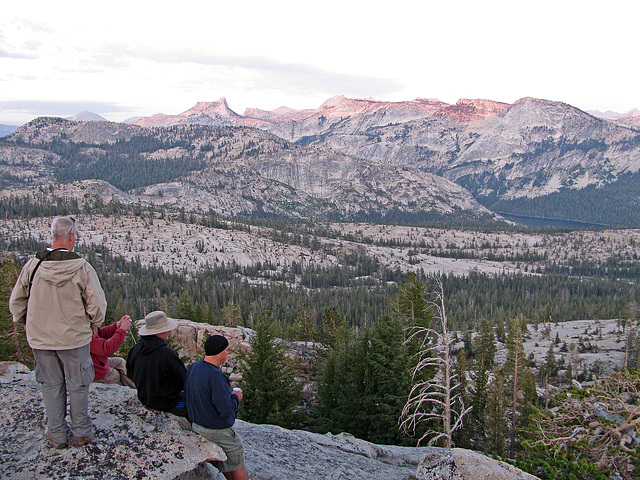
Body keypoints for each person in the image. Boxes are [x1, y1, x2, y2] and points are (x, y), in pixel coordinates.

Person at [9, 216, 107, 449]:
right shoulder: (81, 267)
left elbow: (17, 300)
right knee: (78, 383)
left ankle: (57, 434)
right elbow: (97, 304)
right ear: (72, 237)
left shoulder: (33, 265)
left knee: (50, 385)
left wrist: (23, 321)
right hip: (73, 338)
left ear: (53, 236)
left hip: (41, 338)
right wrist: (95, 324)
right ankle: (81, 432)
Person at [184, 335, 249, 480]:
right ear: (219, 352)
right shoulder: (215, 376)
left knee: (225, 462)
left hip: (197, 425)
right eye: (226, 350)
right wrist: (235, 398)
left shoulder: (195, 367)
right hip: (216, 429)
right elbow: (225, 410)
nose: (228, 353)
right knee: (236, 460)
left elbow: (187, 395)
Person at [126, 311, 187, 416]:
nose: (169, 331)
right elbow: (183, 380)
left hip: (144, 398)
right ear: (158, 332)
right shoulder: (166, 354)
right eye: (166, 329)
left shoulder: (135, 350)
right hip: (168, 403)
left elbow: (130, 373)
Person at [91, 314, 136, 388]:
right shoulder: (85, 334)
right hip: (96, 371)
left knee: (120, 362)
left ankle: (134, 387)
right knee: (116, 376)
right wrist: (122, 330)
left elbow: (101, 333)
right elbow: (108, 348)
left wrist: (117, 326)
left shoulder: (89, 325)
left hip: (98, 362)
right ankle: (129, 392)